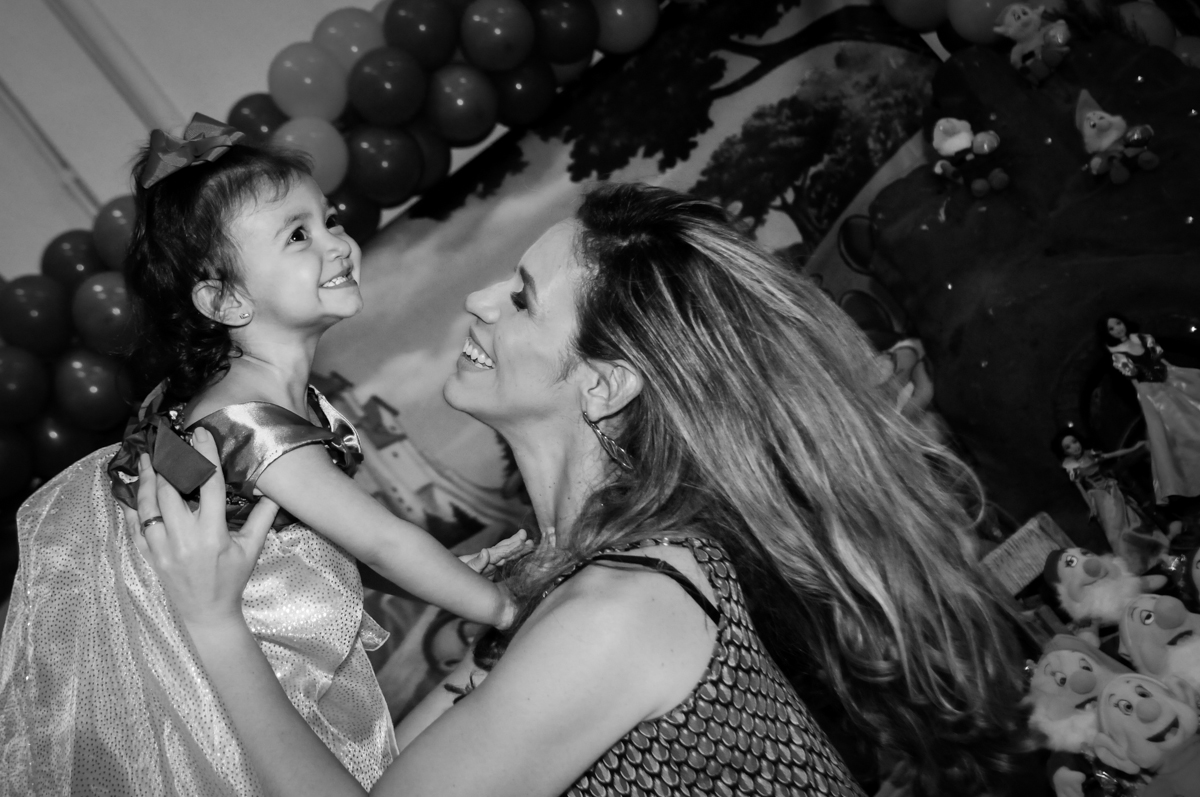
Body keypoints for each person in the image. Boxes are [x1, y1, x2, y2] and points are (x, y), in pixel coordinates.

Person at [132, 183, 1029, 797]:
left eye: (522, 298)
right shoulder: (545, 574)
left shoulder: (621, 610)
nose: (482, 300)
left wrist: (214, 627)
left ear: (603, 385)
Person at [0, 115, 524, 795]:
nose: (338, 244)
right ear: (225, 299)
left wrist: (454, 571)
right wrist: (507, 608)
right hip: (244, 677)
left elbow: (346, 549)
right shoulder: (246, 420)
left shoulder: (266, 397)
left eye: (330, 220)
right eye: (299, 235)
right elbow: (384, 542)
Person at [1102, 313, 1200, 504]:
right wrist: (1144, 398)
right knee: (1178, 428)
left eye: (1118, 323)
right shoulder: (1118, 354)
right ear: (1108, 334)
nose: (1117, 329)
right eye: (1111, 328)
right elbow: (1133, 379)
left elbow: (1161, 360)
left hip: (1170, 378)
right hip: (1152, 390)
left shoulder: (1143, 338)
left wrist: (1176, 371)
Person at [1052, 429, 1167, 572]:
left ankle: (1155, 551)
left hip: (1112, 489)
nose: (1075, 447)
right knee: (1116, 531)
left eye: (1074, 441)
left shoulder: (1090, 454)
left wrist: (1134, 448)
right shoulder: (1071, 467)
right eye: (1068, 447)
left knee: (1134, 520)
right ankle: (1135, 564)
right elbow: (1080, 488)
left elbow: (1112, 455)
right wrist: (1091, 507)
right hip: (1099, 497)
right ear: (1064, 452)